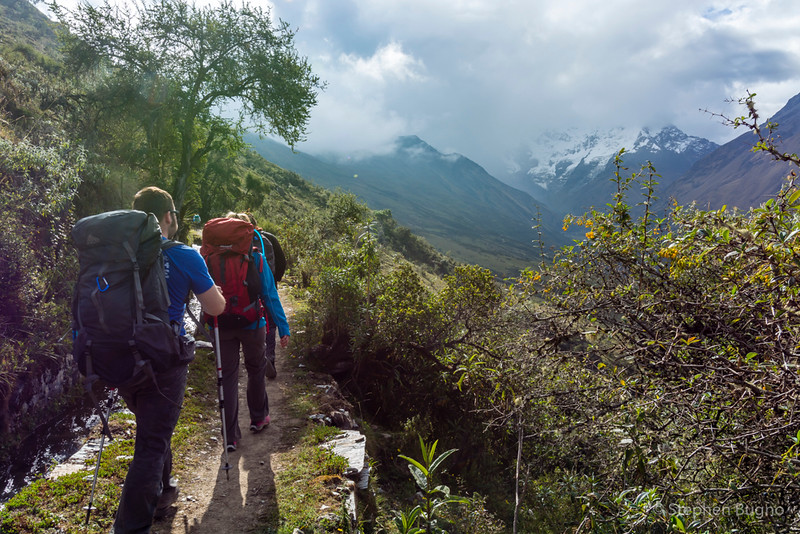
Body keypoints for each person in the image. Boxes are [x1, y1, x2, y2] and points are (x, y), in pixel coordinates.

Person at [113, 186, 225, 533]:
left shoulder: (118, 254)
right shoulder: (184, 255)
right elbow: (215, 307)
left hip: (120, 357)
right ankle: (131, 527)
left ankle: (163, 492)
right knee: (151, 441)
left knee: (152, 429)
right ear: (169, 217)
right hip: (164, 360)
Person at [213, 213, 290, 452]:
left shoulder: (208, 259)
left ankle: (230, 436)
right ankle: (258, 419)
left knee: (227, 376)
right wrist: (283, 328)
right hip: (253, 323)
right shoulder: (256, 258)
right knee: (256, 369)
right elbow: (270, 295)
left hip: (222, 325)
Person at [242, 213, 286, 379]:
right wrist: (274, 279)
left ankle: (253, 359)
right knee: (270, 323)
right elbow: (282, 262)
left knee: (250, 322)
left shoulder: (229, 245)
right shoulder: (269, 239)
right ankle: (270, 358)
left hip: (244, 292)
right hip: (268, 284)